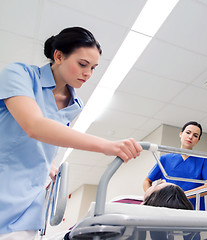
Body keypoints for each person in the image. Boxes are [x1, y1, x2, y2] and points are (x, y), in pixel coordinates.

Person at [0, 27, 142, 240]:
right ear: (58, 56)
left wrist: (49, 162)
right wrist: (107, 146)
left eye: (94, 68)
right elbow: (34, 126)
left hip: (28, 205)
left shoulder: (75, 103)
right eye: (83, 64)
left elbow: (49, 140)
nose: (88, 74)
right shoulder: (20, 74)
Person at [143, 121, 207, 211]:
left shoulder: (203, 160)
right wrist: (153, 198)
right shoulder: (165, 159)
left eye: (195, 135)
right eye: (188, 132)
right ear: (181, 134)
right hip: (166, 207)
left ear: (198, 140)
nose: (190, 137)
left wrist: (181, 196)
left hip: (193, 209)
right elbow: (147, 181)